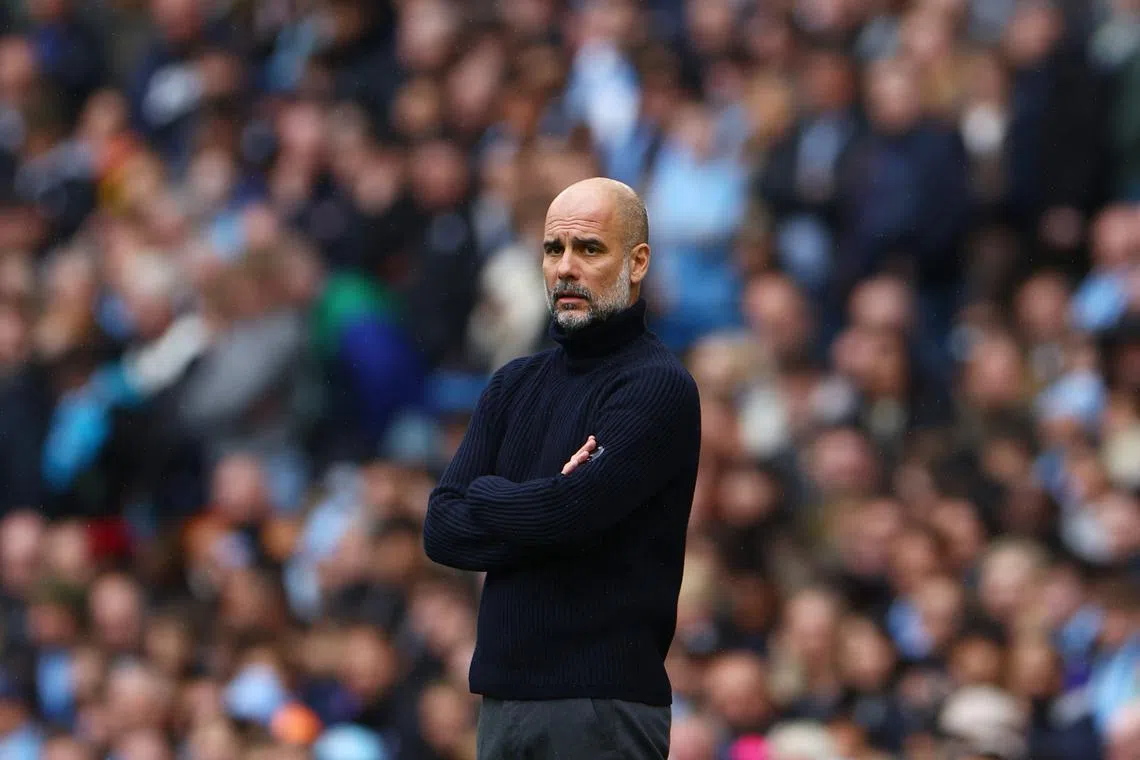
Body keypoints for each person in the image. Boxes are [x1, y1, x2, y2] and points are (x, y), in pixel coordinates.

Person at [422, 177, 702, 759]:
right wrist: (545, 500)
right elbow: (442, 528)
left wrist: (493, 494)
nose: (566, 268)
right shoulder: (511, 384)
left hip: (601, 708)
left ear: (637, 261)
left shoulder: (656, 386)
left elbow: (570, 514)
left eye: (589, 249)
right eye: (554, 250)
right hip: (503, 702)